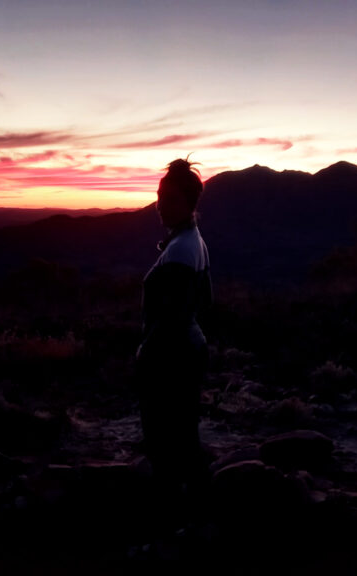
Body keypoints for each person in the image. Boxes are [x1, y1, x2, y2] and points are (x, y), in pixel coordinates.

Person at [135, 157, 212, 520]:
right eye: (159, 195)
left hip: (171, 357)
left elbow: (174, 318)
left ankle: (172, 520)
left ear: (188, 203)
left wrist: (144, 356)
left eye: (168, 198)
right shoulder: (192, 241)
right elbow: (205, 303)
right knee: (183, 435)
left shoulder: (181, 249)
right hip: (189, 351)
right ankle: (195, 516)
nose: (160, 204)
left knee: (165, 439)